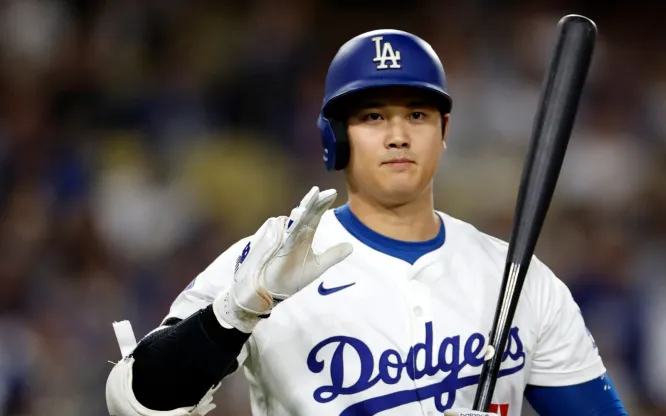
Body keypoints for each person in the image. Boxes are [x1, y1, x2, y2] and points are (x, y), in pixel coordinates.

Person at [105, 29, 628, 416]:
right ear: (335, 137)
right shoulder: (267, 262)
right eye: (373, 117)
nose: (398, 135)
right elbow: (132, 402)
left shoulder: (520, 278)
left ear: (444, 132)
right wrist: (234, 315)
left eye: (417, 115)